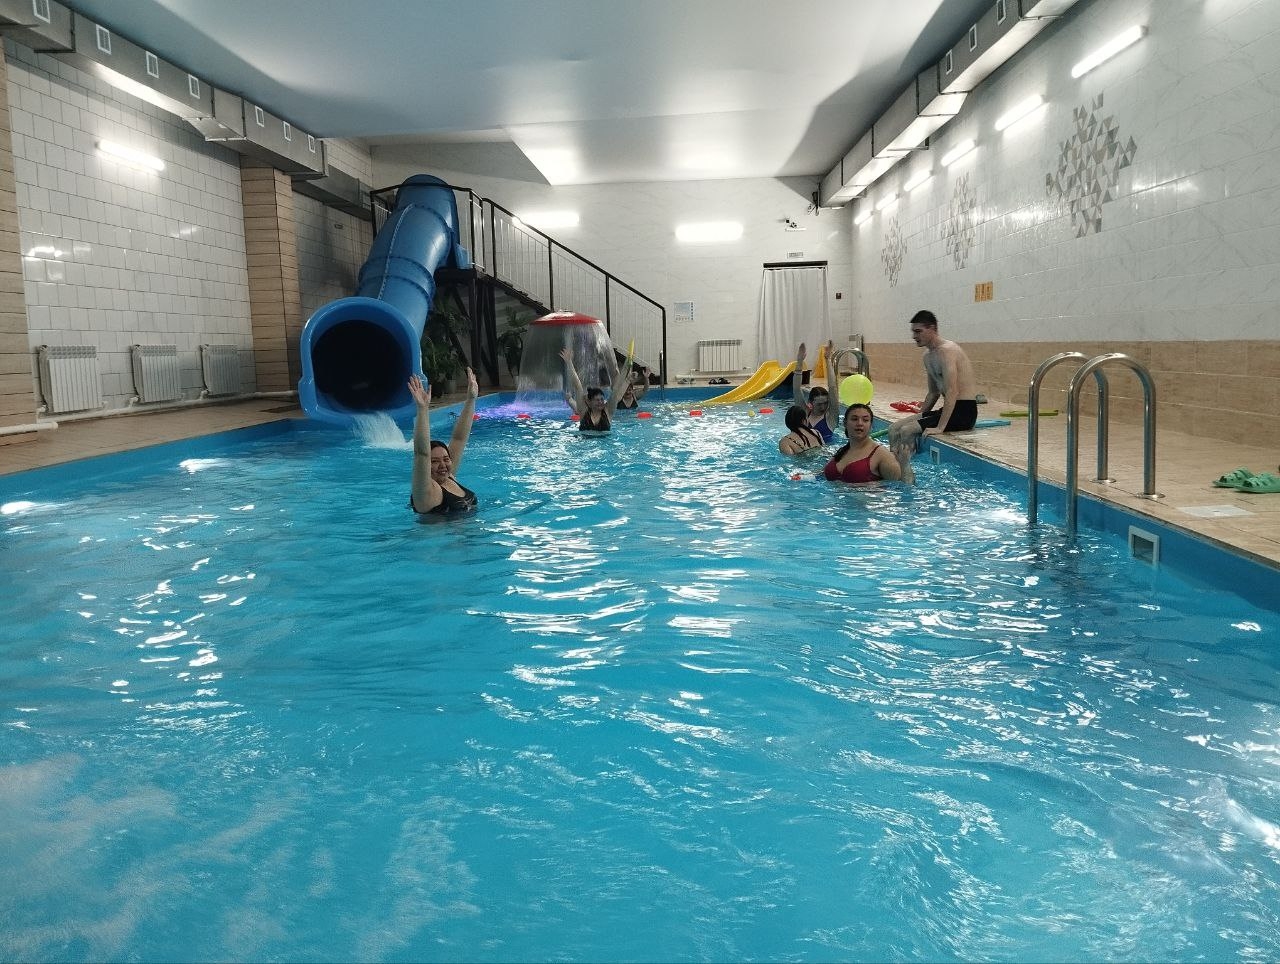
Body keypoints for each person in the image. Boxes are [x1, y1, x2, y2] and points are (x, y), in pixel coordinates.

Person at [888, 309, 978, 450]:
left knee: (907, 430)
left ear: (932, 328)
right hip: (948, 410)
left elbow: (952, 391)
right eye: (913, 332)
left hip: (964, 413)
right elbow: (933, 393)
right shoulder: (927, 356)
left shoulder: (948, 350)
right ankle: (893, 462)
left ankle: (906, 463)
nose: (914, 336)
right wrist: (921, 416)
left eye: (918, 331)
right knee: (893, 429)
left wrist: (940, 427)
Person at [407, 368, 479, 517]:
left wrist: (471, 399)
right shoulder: (425, 493)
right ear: (426, 466)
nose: (442, 465)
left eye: (446, 459)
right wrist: (422, 409)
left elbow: (459, 439)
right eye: (434, 461)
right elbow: (421, 453)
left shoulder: (449, 477)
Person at [823, 403, 913, 485]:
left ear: (871, 426)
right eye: (854, 419)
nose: (859, 423)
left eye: (865, 420)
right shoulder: (842, 451)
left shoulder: (881, 455)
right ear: (845, 423)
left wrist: (905, 465)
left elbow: (905, 487)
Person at [561, 345, 633, 432]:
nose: (601, 402)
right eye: (597, 400)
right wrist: (569, 363)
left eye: (602, 399)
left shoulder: (608, 411)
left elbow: (617, 388)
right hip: (584, 440)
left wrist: (626, 365)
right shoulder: (583, 411)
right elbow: (577, 386)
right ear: (589, 402)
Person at [791, 339, 838, 443]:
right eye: (819, 404)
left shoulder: (831, 417)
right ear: (810, 403)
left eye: (825, 403)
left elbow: (833, 388)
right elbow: (796, 389)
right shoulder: (804, 413)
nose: (823, 407)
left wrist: (828, 359)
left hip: (827, 452)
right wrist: (799, 362)